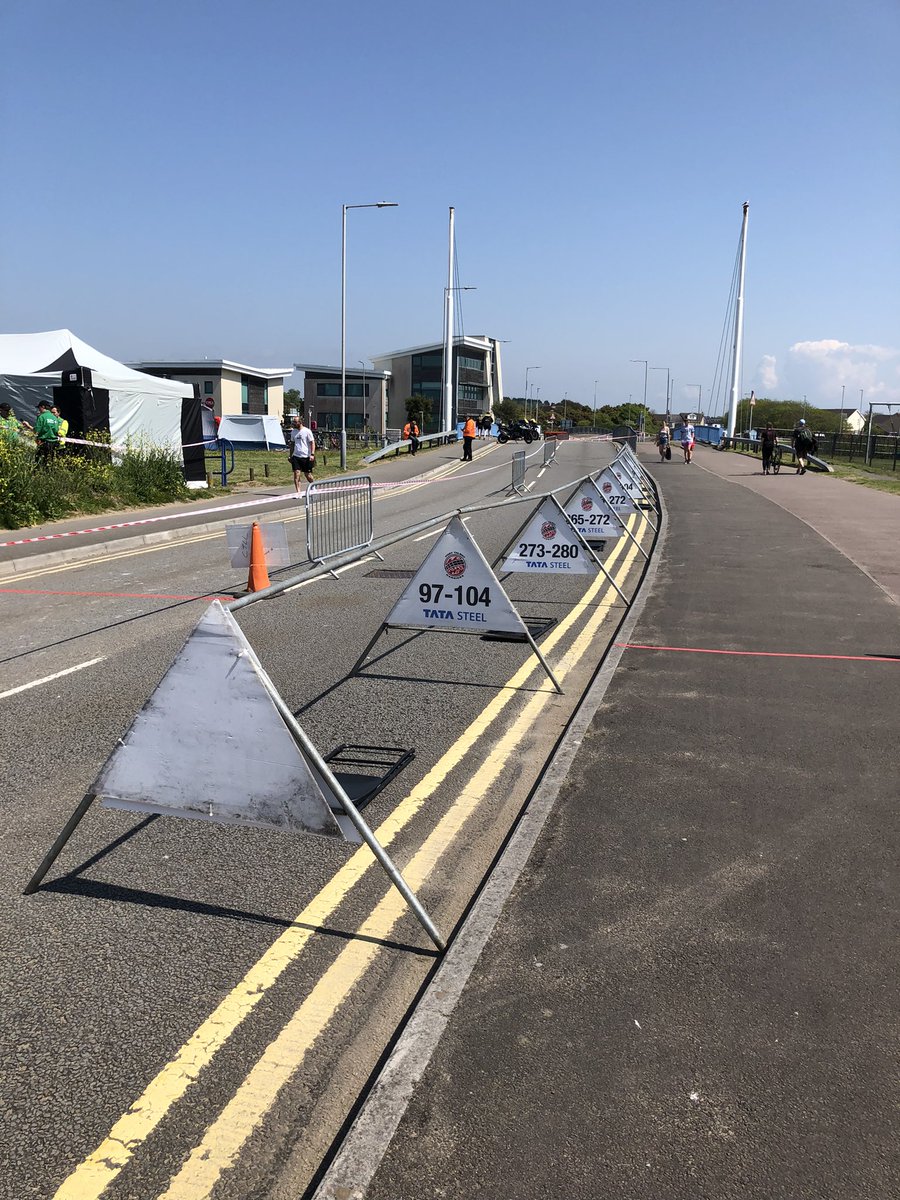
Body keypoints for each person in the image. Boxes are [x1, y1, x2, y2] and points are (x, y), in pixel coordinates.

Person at [288, 414, 315, 493]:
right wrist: (290, 455)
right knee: (297, 474)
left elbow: (312, 443)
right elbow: (292, 444)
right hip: (296, 456)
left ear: (300, 422)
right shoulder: (293, 432)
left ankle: (313, 485)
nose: (294, 424)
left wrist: (312, 454)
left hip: (306, 456)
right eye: (293, 422)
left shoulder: (307, 431)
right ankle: (298, 492)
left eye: (295, 422)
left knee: (308, 475)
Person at [33, 399, 61, 464]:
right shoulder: (54, 417)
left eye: (39, 408)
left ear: (43, 407)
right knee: (50, 461)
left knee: (39, 462)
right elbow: (56, 430)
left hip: (44, 443)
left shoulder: (41, 417)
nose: (39, 410)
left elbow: (36, 430)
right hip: (53, 443)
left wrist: (29, 427)